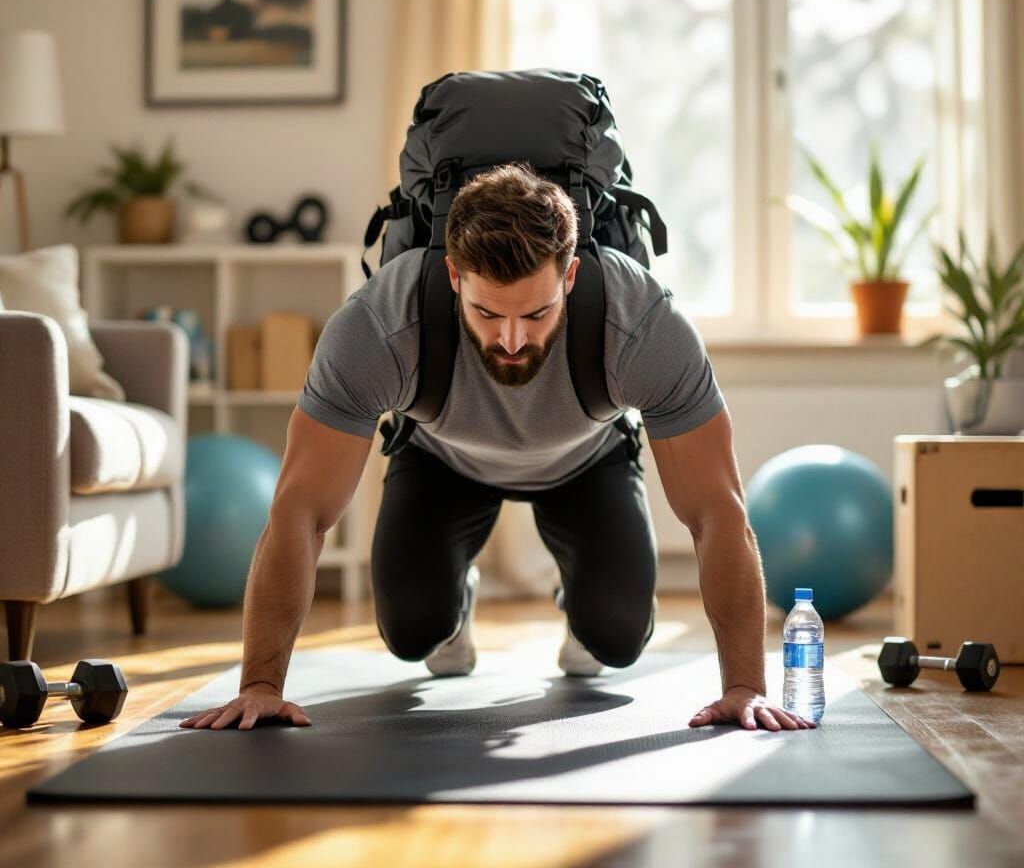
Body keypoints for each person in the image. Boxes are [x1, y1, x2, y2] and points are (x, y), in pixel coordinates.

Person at [180, 163, 816, 733]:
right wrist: (261, 685)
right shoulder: (379, 327)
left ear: (570, 275)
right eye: (488, 313)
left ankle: (582, 606)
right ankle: (458, 605)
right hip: (441, 460)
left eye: (537, 314)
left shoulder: (642, 324)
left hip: (586, 459)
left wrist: (744, 688)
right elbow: (299, 512)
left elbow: (718, 512)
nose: (512, 339)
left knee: (618, 638)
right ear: (454, 276)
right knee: (411, 632)